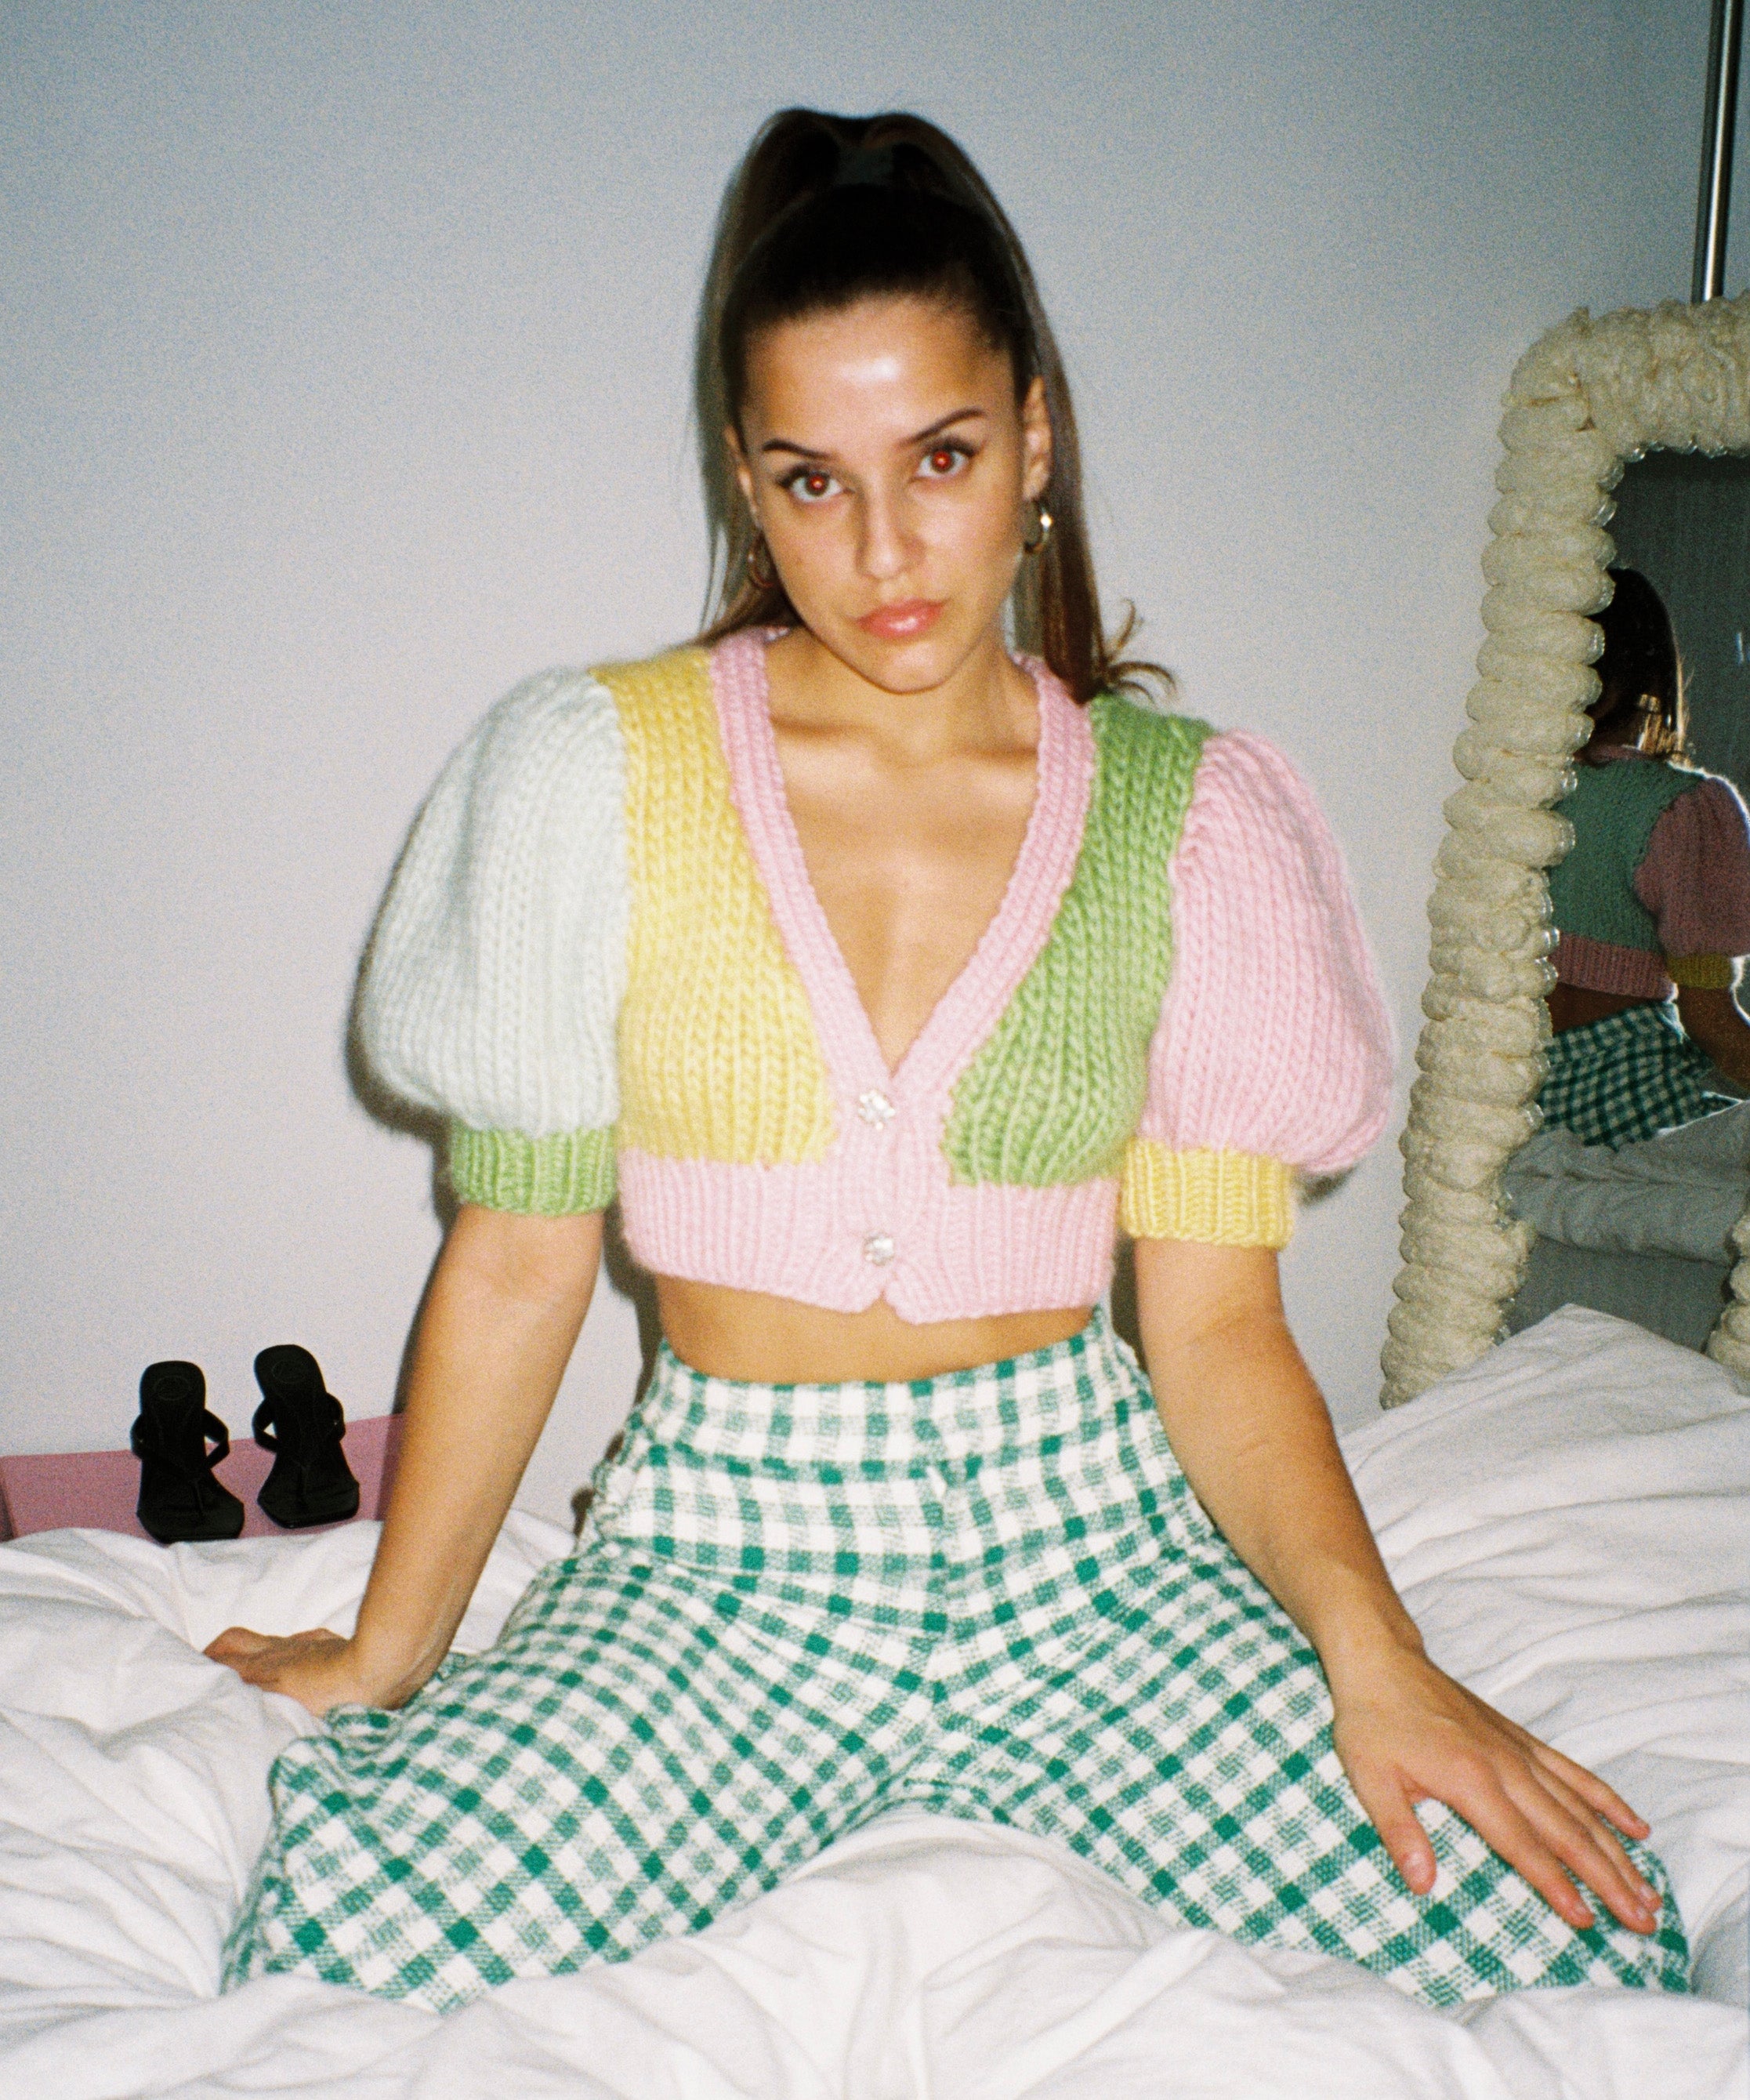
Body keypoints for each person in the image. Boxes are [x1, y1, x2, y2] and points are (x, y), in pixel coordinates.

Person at [207, 110, 1687, 2015]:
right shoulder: (593, 772)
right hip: (720, 1558)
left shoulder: (1189, 814)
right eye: (814, 480)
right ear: (748, 476)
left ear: (1037, 435)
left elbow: (1219, 1325)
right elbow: (516, 1253)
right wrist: (389, 1646)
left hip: (1091, 1548)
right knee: (346, 1954)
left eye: (944, 458)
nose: (885, 547)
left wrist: (1372, 1650)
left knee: (1566, 1942)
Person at [1542, 566, 1750, 1146]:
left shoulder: (1518, 791)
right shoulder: (1680, 811)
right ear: (1649, 673)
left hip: (1526, 1088)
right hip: (1626, 1084)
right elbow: (1710, 1023)